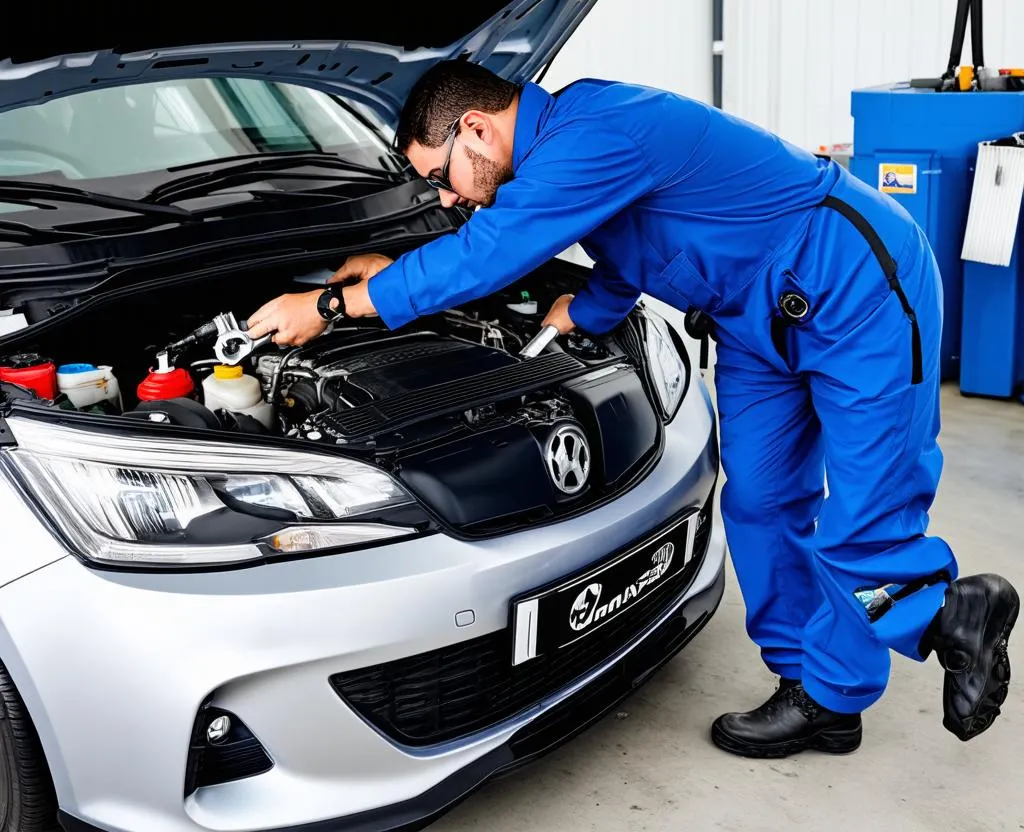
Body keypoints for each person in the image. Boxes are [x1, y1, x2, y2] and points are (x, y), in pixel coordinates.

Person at [247, 61, 1018, 757]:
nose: (447, 196)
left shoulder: (596, 131)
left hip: (857, 288)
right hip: (752, 317)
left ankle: (951, 610)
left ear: (474, 127)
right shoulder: (561, 155)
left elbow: (484, 258)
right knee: (757, 499)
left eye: (441, 174)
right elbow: (630, 248)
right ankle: (823, 696)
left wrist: (333, 304)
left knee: (866, 510)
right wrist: (580, 311)